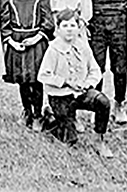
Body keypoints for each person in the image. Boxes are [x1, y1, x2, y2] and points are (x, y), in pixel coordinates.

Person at [38, 9, 113, 158]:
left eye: (73, 25)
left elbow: (95, 70)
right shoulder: (53, 49)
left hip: (80, 93)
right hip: (60, 95)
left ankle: (99, 139)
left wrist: (87, 84)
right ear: (58, 28)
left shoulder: (83, 46)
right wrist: (65, 82)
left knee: (103, 102)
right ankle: (51, 117)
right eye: (65, 26)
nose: (69, 30)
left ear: (78, 28)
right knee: (69, 140)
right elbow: (43, 75)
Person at [40, 0, 93, 132]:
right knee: (55, 69)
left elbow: (86, 10)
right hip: (52, 28)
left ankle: (73, 114)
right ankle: (54, 110)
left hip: (73, 28)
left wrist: (78, 26)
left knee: (75, 69)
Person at [2, 0, 54, 131]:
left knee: (36, 80)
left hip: (36, 43)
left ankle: (38, 114)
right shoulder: (8, 0)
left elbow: (48, 22)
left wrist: (36, 38)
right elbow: (5, 24)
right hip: (16, 42)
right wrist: (12, 42)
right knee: (23, 81)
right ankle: (27, 111)